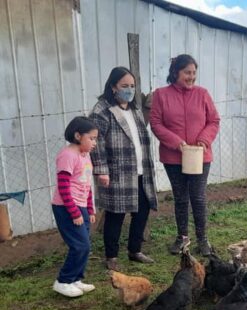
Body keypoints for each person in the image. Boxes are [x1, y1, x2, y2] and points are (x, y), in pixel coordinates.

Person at [150, 54, 220, 256]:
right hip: (173, 157)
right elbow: (156, 124)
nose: (192, 77)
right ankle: (182, 238)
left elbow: (213, 121)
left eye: (194, 73)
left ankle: (203, 240)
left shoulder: (202, 94)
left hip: (200, 155)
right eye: (187, 72)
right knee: (180, 198)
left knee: (197, 197)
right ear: (175, 73)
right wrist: (176, 142)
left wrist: (204, 140)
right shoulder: (161, 95)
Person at [89, 67, 158, 271]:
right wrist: (101, 169)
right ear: (113, 87)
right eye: (124, 86)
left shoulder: (134, 109)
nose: (129, 90)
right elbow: (96, 142)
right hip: (116, 172)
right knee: (115, 213)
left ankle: (134, 250)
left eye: (132, 86)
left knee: (143, 209)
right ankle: (111, 256)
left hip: (139, 170)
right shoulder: (101, 110)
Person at [51, 117, 97, 297]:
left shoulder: (84, 155)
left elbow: (86, 185)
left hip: (81, 207)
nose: (95, 143)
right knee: (80, 245)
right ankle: (63, 281)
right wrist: (74, 212)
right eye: (91, 138)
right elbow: (63, 187)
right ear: (78, 135)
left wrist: (90, 209)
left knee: (85, 245)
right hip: (67, 208)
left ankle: (76, 279)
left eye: (96, 139)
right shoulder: (68, 155)